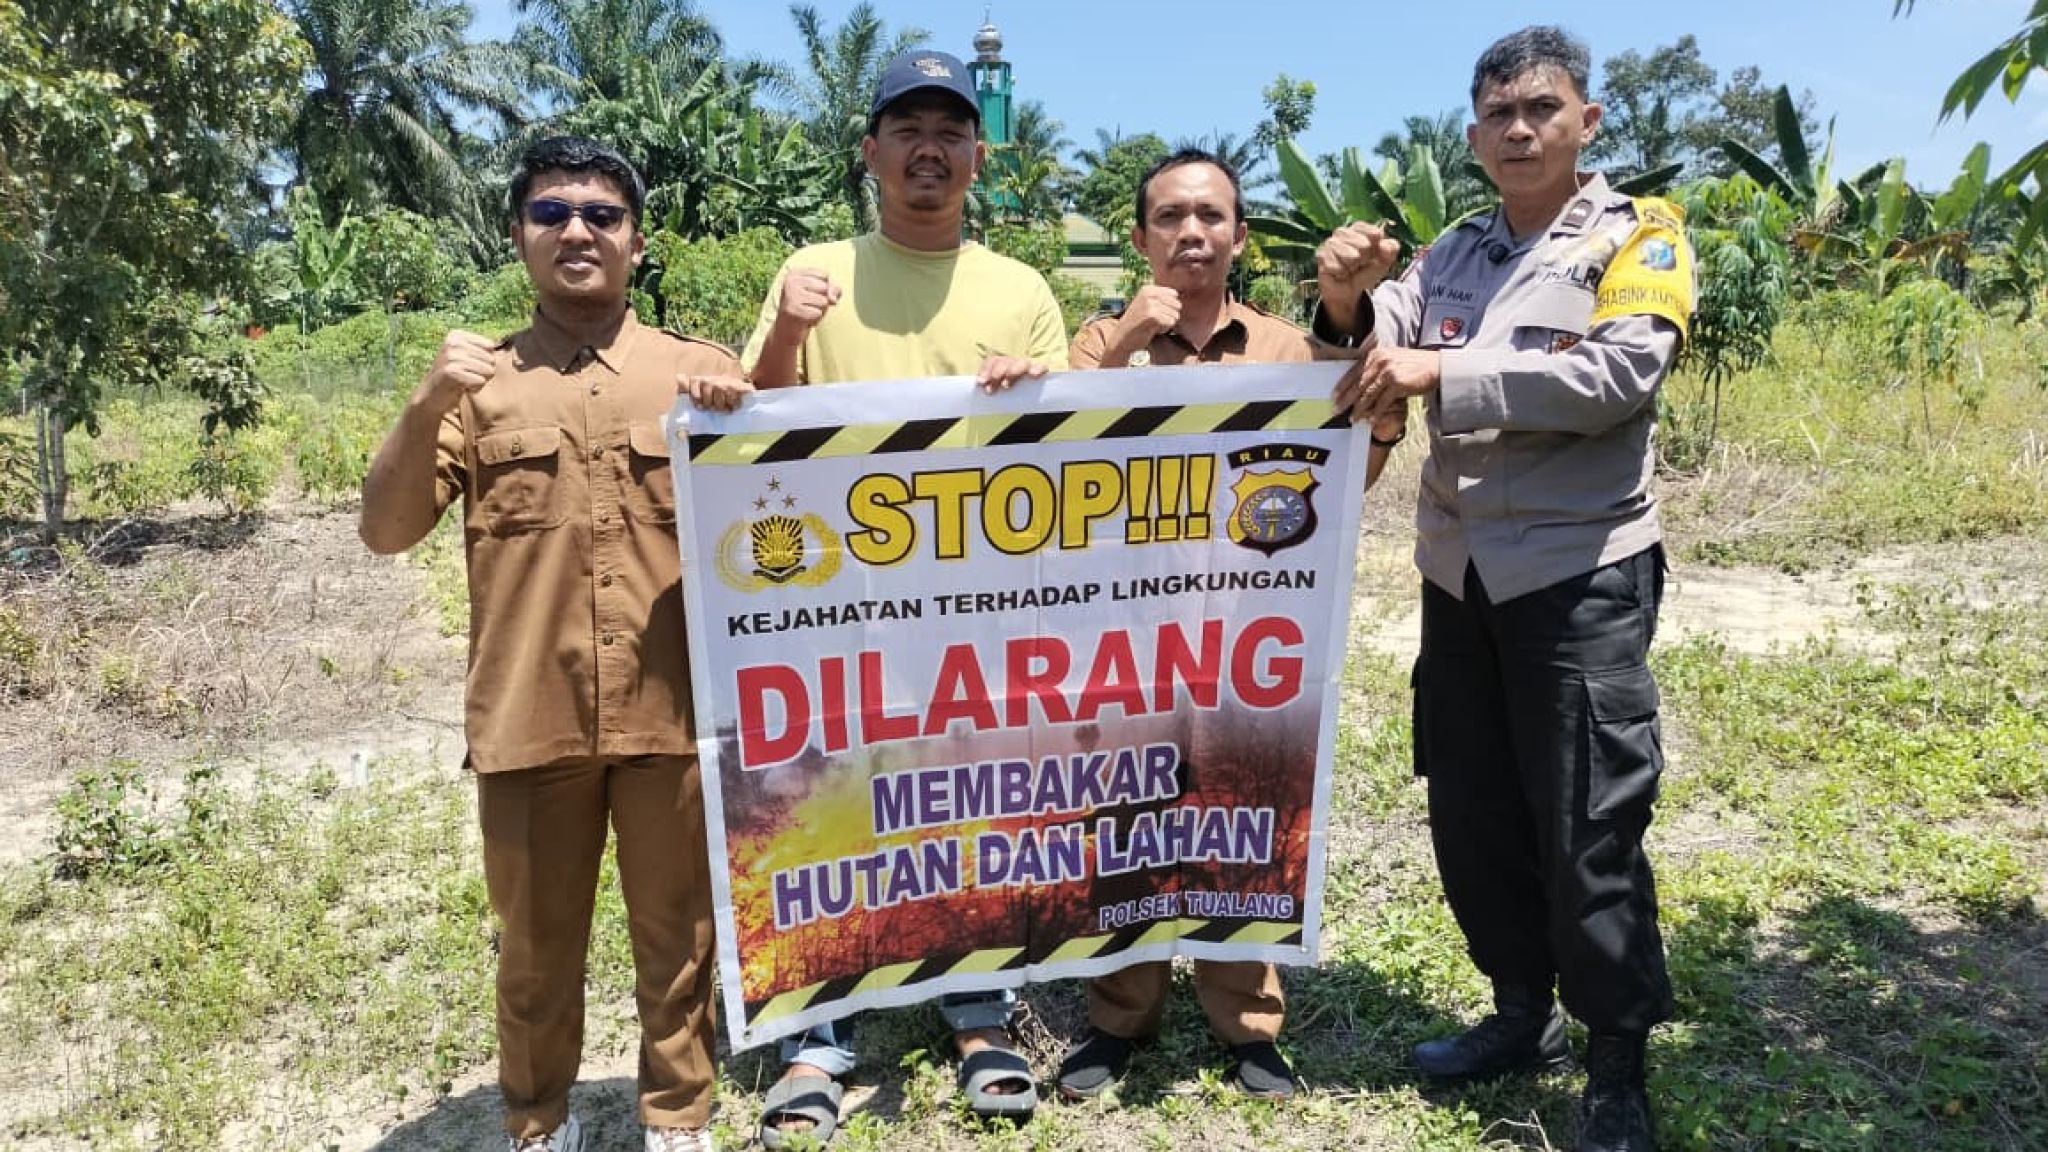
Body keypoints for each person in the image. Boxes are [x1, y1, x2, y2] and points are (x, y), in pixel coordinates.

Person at [1313, 25, 1693, 1152]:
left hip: (1578, 573)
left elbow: (1618, 373)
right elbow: (1368, 347)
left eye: (1539, 108)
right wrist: (1342, 298)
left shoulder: (1639, 238)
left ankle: (1615, 1064)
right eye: (1496, 113)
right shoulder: (1455, 252)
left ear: (1586, 121)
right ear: (1472, 135)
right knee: (1472, 810)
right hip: (1458, 575)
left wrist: (1449, 371)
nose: (1517, 128)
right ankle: (1517, 1015)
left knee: (1586, 824)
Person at [359, 136, 744, 1152]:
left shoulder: (700, 373)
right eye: (549, 213)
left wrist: (747, 424)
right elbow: (386, 531)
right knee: (532, 948)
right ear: (518, 235)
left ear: (637, 241)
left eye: (600, 215)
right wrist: (424, 402)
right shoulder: (475, 383)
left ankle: (676, 1116)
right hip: (530, 712)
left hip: (674, 706)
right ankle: (538, 1122)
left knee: (680, 937)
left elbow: (783, 535)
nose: (576, 230)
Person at [733, 48, 1070, 1149]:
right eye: (907, 129)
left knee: (967, 805)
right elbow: (749, 434)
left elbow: (1071, 460)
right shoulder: (811, 269)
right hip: (836, 605)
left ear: (978, 156)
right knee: (828, 803)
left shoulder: (1020, 290)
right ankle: (818, 1032)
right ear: (870, 152)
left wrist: (1036, 402)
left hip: (980, 603)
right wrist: (784, 328)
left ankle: (975, 1007)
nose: (930, 148)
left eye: (951, 131)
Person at [1054, 148, 1405, 1103]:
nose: (1191, 233)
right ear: (1140, 238)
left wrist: (1345, 314)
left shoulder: (1289, 351)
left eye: (1210, 215)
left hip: (1249, 636)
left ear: (1240, 235)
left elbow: (1352, 471)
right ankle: (1116, 1018)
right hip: (1121, 636)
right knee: (1126, 819)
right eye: (1169, 217)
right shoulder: (1095, 344)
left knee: (1247, 815)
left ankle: (1248, 1026)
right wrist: (1127, 345)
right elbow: (1041, 479)